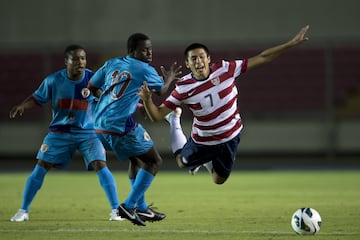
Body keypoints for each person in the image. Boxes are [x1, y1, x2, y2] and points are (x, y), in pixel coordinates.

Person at [138, 25, 310, 185]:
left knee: (218, 180)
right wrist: (147, 100)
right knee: (182, 163)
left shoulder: (226, 69)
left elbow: (263, 57)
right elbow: (156, 116)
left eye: (201, 57)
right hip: (203, 141)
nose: (198, 62)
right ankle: (175, 120)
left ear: (208, 59)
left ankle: (206, 161)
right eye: (193, 59)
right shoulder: (183, 87)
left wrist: (291, 44)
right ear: (187, 64)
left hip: (230, 137)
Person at [9, 45, 123, 222]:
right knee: (41, 166)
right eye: (76, 59)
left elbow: (106, 97)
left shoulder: (93, 79)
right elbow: (37, 98)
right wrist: (22, 105)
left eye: (83, 58)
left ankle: (116, 210)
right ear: (66, 61)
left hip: (88, 132)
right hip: (59, 132)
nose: (81, 62)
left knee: (100, 164)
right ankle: (23, 210)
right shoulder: (53, 80)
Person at [87, 33, 181, 226]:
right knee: (154, 161)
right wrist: (169, 78)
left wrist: (110, 102)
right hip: (119, 126)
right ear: (132, 51)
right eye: (144, 49)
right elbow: (161, 91)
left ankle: (143, 208)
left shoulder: (111, 63)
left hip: (98, 125)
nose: (149, 53)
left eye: (150, 49)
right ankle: (128, 206)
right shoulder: (145, 70)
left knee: (136, 158)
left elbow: (92, 86)